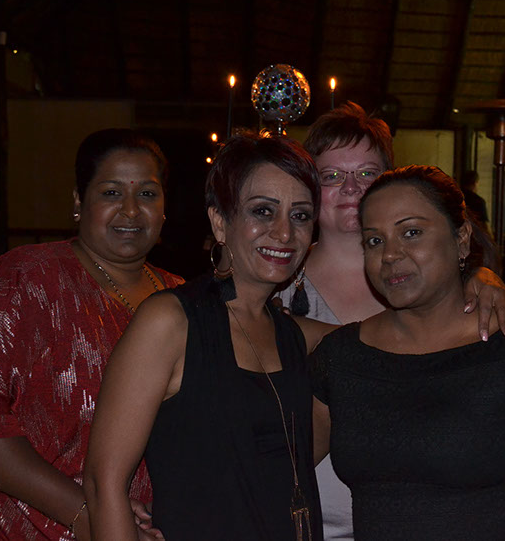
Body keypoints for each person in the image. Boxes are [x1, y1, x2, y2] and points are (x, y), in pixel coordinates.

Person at [275, 102, 505, 540]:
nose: (351, 187)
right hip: (306, 523)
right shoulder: (277, 283)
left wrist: (481, 275)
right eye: (332, 175)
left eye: (367, 173)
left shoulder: (437, 286)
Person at [311, 165, 505, 540]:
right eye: (374, 240)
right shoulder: (342, 359)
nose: (389, 254)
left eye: (411, 232)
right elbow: (275, 468)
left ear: (462, 238)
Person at [0, 128, 183, 540]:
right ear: (79, 201)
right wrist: (91, 517)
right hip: (30, 524)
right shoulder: (24, 279)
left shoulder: (183, 299)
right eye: (112, 193)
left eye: (147, 194)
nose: (131, 210)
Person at [84, 132, 327, 540]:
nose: (285, 233)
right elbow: (102, 483)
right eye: (263, 211)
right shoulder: (170, 321)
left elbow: (387, 336)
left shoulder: (294, 335)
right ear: (219, 222)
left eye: (300, 216)